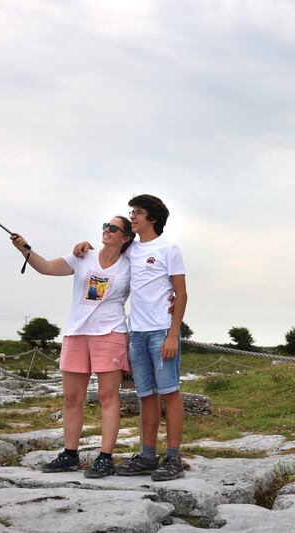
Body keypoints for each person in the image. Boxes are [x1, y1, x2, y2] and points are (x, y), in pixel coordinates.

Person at [75, 194, 188, 481]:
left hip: (161, 331)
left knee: (170, 393)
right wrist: (83, 247)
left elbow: (182, 293)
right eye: (131, 212)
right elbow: (109, 250)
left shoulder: (169, 249)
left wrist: (173, 334)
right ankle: (148, 455)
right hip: (135, 333)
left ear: (152, 218)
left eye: (137, 212)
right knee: (146, 396)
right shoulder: (131, 250)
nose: (132, 217)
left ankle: (173, 458)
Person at [10, 216, 133, 478]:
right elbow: (45, 268)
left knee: (108, 398)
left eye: (113, 228)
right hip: (77, 332)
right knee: (72, 398)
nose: (106, 231)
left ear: (126, 237)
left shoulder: (130, 265)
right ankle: (70, 454)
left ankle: (106, 457)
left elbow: (148, 290)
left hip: (110, 333)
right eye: (104, 226)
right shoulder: (83, 256)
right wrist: (24, 248)